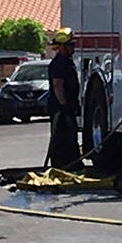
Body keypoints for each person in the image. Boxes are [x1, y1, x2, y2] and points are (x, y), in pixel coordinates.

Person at [47, 26, 82, 171]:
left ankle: (72, 163)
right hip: (60, 109)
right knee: (61, 137)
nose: (73, 48)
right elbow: (58, 85)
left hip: (67, 106)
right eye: (71, 45)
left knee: (70, 136)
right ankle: (61, 166)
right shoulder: (59, 63)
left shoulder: (67, 62)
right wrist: (64, 106)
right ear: (62, 46)